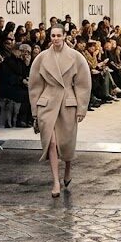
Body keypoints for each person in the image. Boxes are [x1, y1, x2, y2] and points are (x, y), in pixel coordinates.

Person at [28, 24, 91, 198]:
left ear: (65, 36)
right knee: (52, 143)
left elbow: (83, 83)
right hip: (47, 103)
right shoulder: (41, 58)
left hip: (67, 103)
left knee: (66, 143)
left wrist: (81, 108)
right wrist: (35, 110)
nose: (55, 38)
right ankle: (55, 181)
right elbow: (34, 85)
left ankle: (68, 170)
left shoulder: (76, 57)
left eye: (58, 35)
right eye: (52, 35)